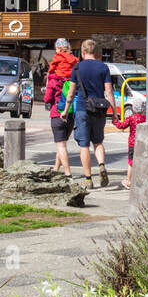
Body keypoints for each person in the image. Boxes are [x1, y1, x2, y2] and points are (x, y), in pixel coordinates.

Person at [69, 38, 116, 190]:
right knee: (98, 142)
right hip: (99, 109)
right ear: (96, 53)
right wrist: (114, 112)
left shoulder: (77, 68)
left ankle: (88, 179)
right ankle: (101, 165)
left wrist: (65, 110)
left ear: (82, 52)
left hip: (83, 109)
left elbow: (70, 93)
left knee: (84, 145)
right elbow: (109, 92)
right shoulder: (103, 67)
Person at [43, 38, 78, 178]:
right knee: (62, 142)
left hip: (57, 113)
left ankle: (68, 173)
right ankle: (56, 169)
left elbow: (47, 98)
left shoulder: (53, 79)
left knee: (61, 145)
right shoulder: (73, 78)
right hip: (71, 114)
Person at [112, 100, 146, 190]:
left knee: (131, 163)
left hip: (132, 143)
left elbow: (121, 126)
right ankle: (141, 180)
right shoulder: (145, 118)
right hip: (142, 143)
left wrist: (115, 121)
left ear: (133, 109)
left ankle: (129, 181)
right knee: (141, 162)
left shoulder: (131, 118)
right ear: (143, 109)